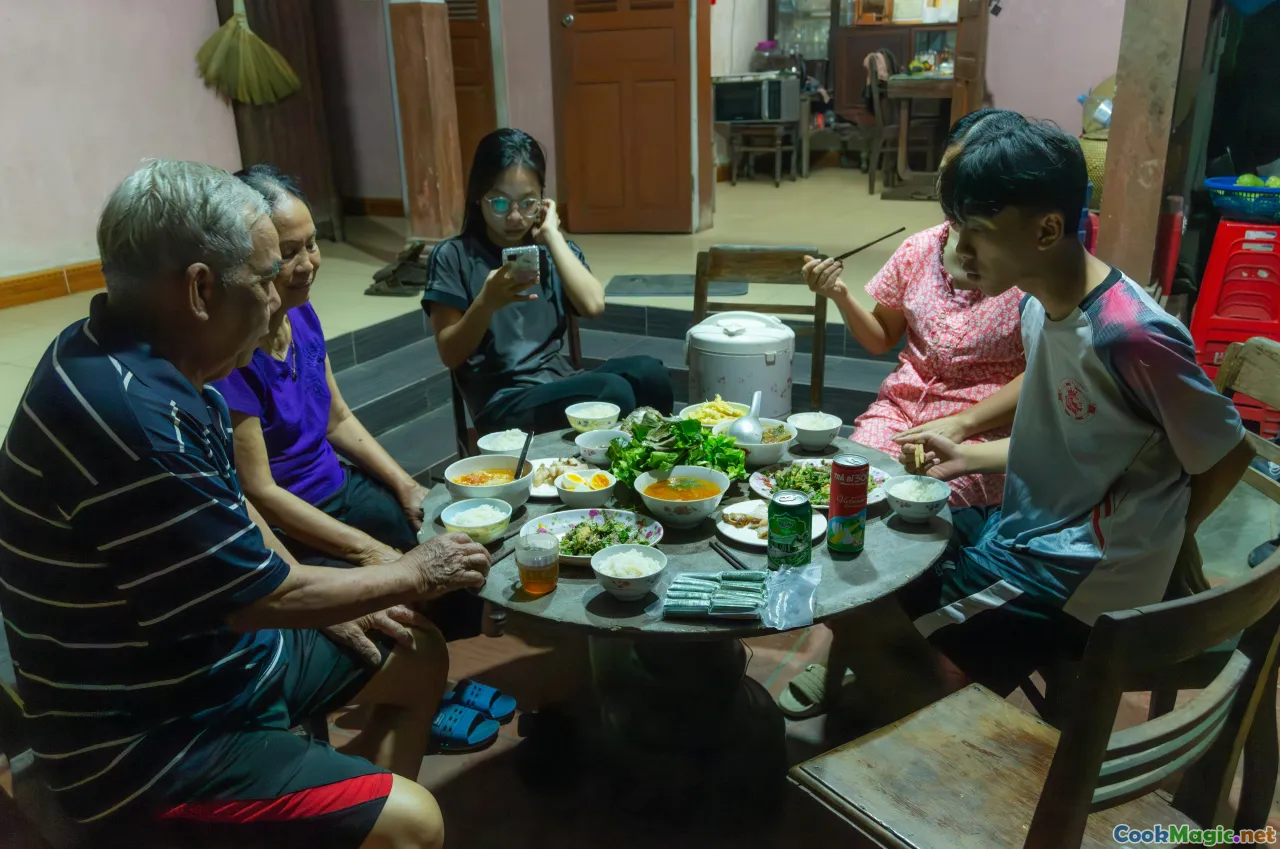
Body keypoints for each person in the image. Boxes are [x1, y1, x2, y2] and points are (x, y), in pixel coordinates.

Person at [0, 160, 491, 849]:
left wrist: (355, 589)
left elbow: (237, 525)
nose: (279, 296)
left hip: (219, 665)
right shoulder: (135, 418)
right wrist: (412, 571)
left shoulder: (149, 359)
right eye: (266, 277)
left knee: (418, 652)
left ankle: (332, 815)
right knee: (416, 823)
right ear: (200, 289)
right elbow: (254, 598)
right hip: (148, 745)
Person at [845, 113, 1254, 727]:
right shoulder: (1043, 307)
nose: (959, 249)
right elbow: (1076, 441)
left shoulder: (1130, 335)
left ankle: (947, 739)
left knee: (867, 628)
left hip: (1075, 567)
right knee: (879, 563)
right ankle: (943, 691)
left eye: (976, 232)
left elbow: (1228, 452)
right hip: (1032, 532)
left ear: (1047, 230)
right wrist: (968, 453)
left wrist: (1160, 543)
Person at [210, 166, 486, 645]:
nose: (308, 263)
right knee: (394, 588)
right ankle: (417, 678)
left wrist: (404, 485)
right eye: (288, 253)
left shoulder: (302, 312)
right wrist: (367, 550)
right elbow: (261, 491)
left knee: (444, 538)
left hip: (336, 483)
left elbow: (336, 417)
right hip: (294, 515)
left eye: (311, 244)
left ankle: (454, 670)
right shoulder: (234, 354)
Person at [801, 109, 1028, 511]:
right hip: (901, 412)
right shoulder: (920, 248)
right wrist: (839, 295)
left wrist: (962, 423)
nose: (945, 189)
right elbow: (880, 338)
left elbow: (1044, 372)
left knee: (923, 505)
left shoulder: (1024, 268)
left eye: (957, 177)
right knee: (849, 486)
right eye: (944, 174)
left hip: (981, 428)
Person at [423, 128, 673, 434]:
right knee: (612, 393)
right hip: (502, 403)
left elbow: (593, 304)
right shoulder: (453, 256)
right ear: (478, 197)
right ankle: (618, 462)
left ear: (543, 200)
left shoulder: (554, 250)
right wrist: (485, 303)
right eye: (500, 203)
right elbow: (449, 353)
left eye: (528, 203)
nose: (515, 217)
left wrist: (553, 237)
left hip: (558, 382)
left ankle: (653, 462)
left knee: (650, 373)